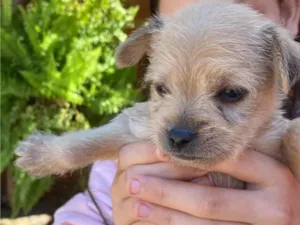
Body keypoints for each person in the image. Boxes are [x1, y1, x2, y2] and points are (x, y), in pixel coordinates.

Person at [52, 0, 300, 224]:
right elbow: (87, 210)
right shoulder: (133, 145)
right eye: (163, 88)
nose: (181, 131)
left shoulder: (288, 141)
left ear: (289, 14)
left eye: (230, 93)